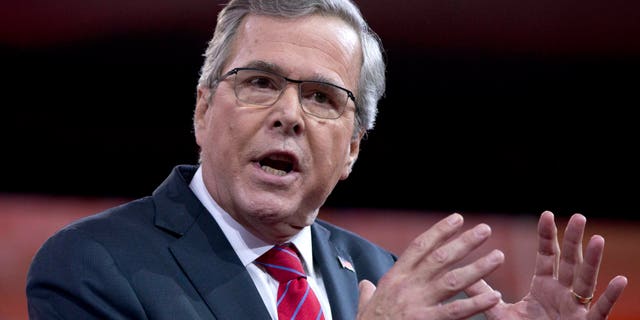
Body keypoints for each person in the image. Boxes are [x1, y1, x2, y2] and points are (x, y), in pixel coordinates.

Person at [26, 0, 627, 319]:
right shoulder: (94, 266)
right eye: (259, 82)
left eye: (321, 97)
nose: (289, 114)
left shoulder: (385, 276)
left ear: (353, 149)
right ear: (203, 109)